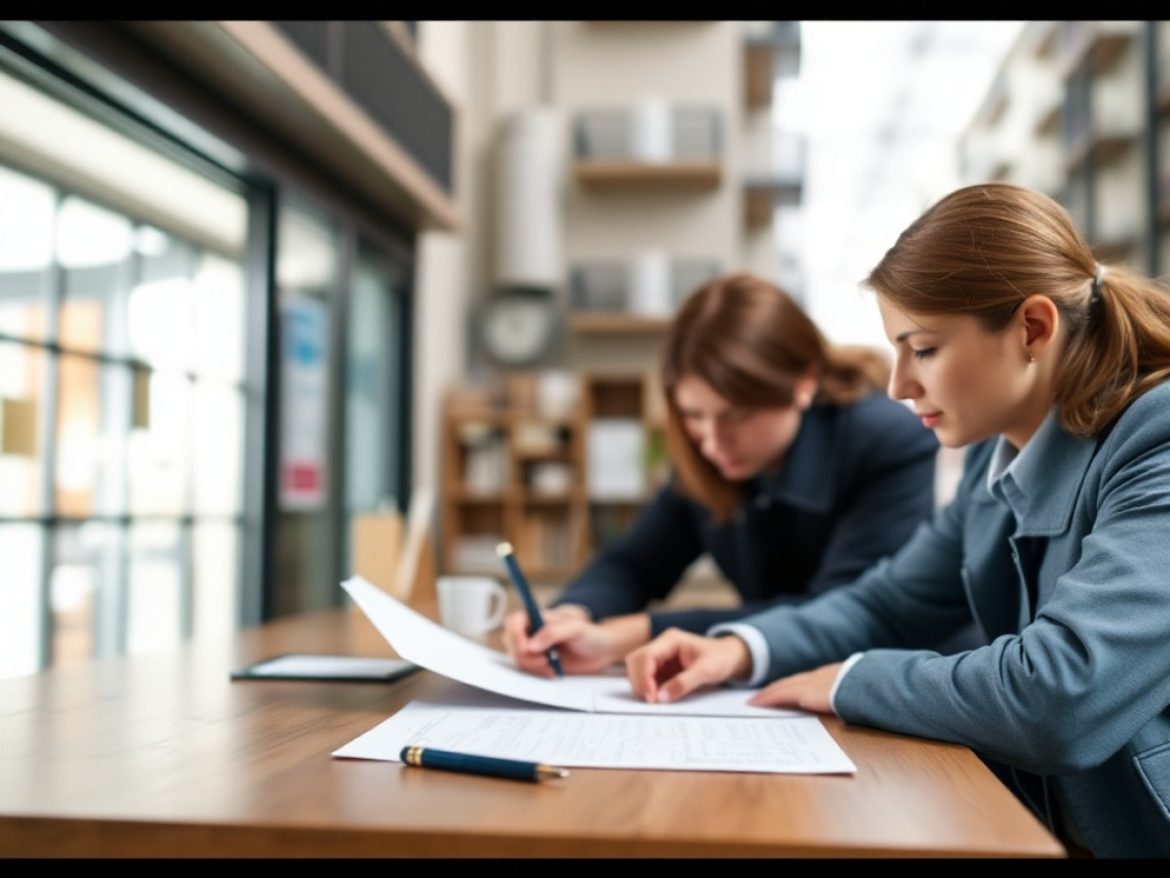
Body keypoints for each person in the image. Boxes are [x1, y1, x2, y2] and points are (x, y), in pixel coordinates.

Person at [623, 183, 1170, 858]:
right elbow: (891, 601)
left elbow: (1062, 696)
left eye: (925, 348)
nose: (898, 385)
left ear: (1032, 327)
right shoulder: (994, 456)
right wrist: (739, 649)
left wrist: (852, 681)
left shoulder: (1157, 440)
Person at [504, 271, 949, 678]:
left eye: (736, 416)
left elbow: (844, 612)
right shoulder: (706, 456)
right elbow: (635, 562)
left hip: (898, 693)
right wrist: (572, 614)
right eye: (693, 415)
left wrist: (636, 631)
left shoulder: (888, 441)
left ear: (804, 382)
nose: (713, 442)